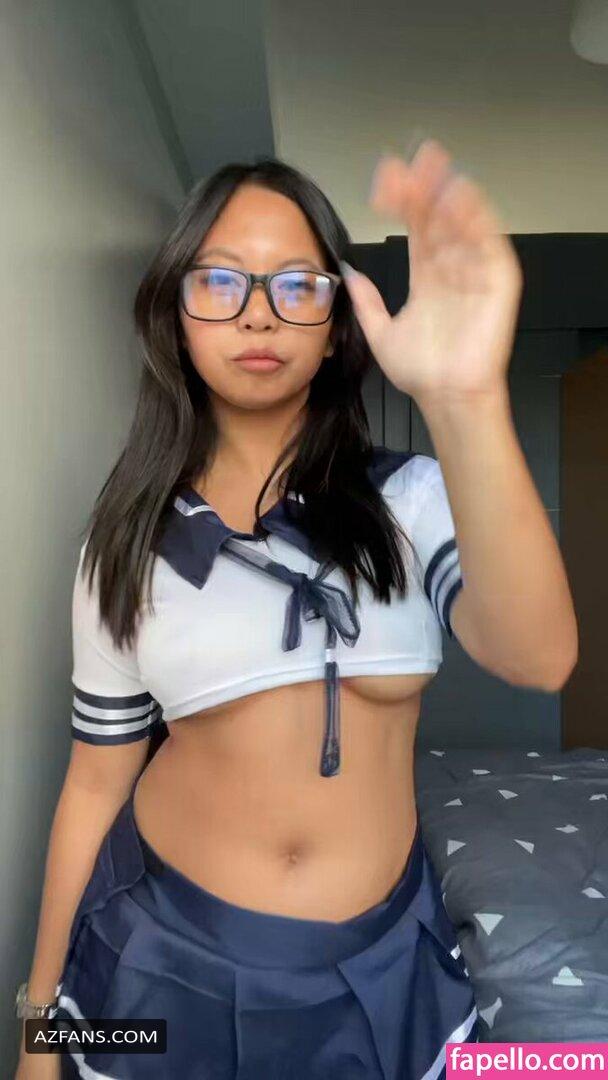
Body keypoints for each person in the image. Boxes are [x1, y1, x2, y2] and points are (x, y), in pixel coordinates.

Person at [16, 138, 578, 1080]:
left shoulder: (408, 500)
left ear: (334, 326)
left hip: (379, 963)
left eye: (296, 286)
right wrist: (41, 1031)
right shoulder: (125, 543)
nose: (258, 313)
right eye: (220, 281)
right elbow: (94, 786)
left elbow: (541, 658)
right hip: (154, 965)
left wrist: (465, 398)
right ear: (175, 316)